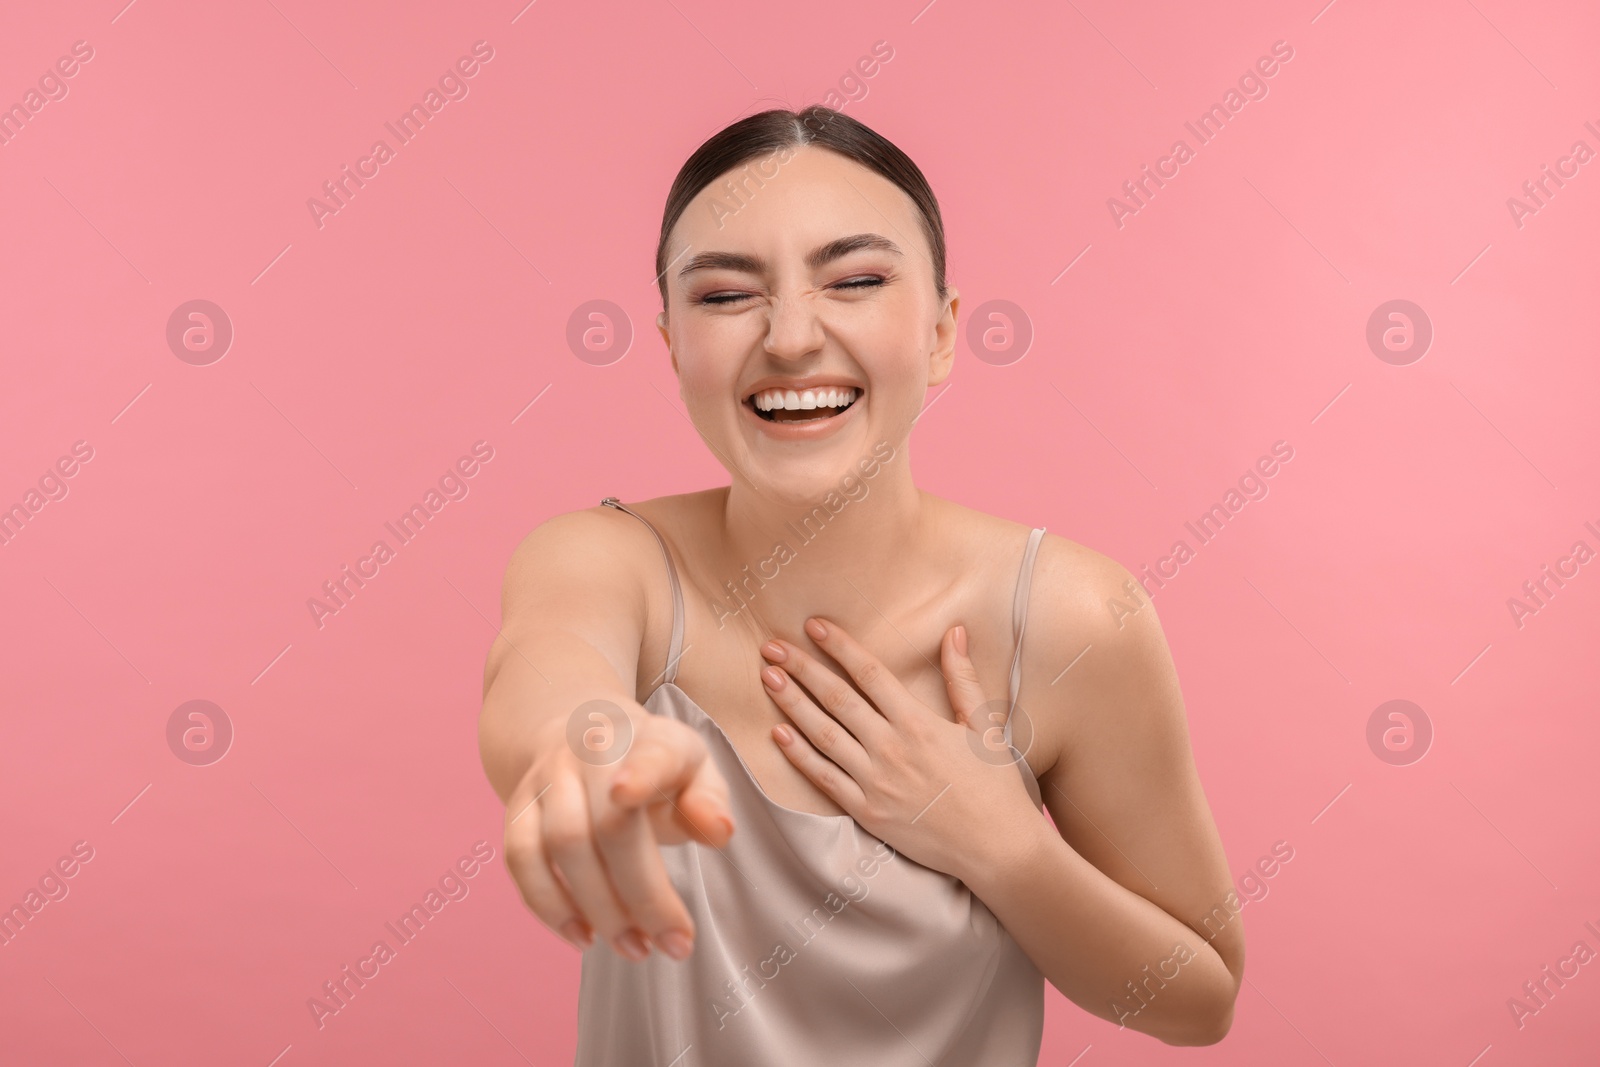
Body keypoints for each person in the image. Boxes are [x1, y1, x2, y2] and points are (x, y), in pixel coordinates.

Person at [477, 105, 1244, 1064]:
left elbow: (1198, 1000)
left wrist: (1001, 845)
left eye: (856, 280)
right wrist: (588, 744)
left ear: (941, 331)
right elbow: (545, 670)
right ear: (672, 346)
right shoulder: (607, 559)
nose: (792, 337)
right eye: (724, 296)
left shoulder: (1073, 616)